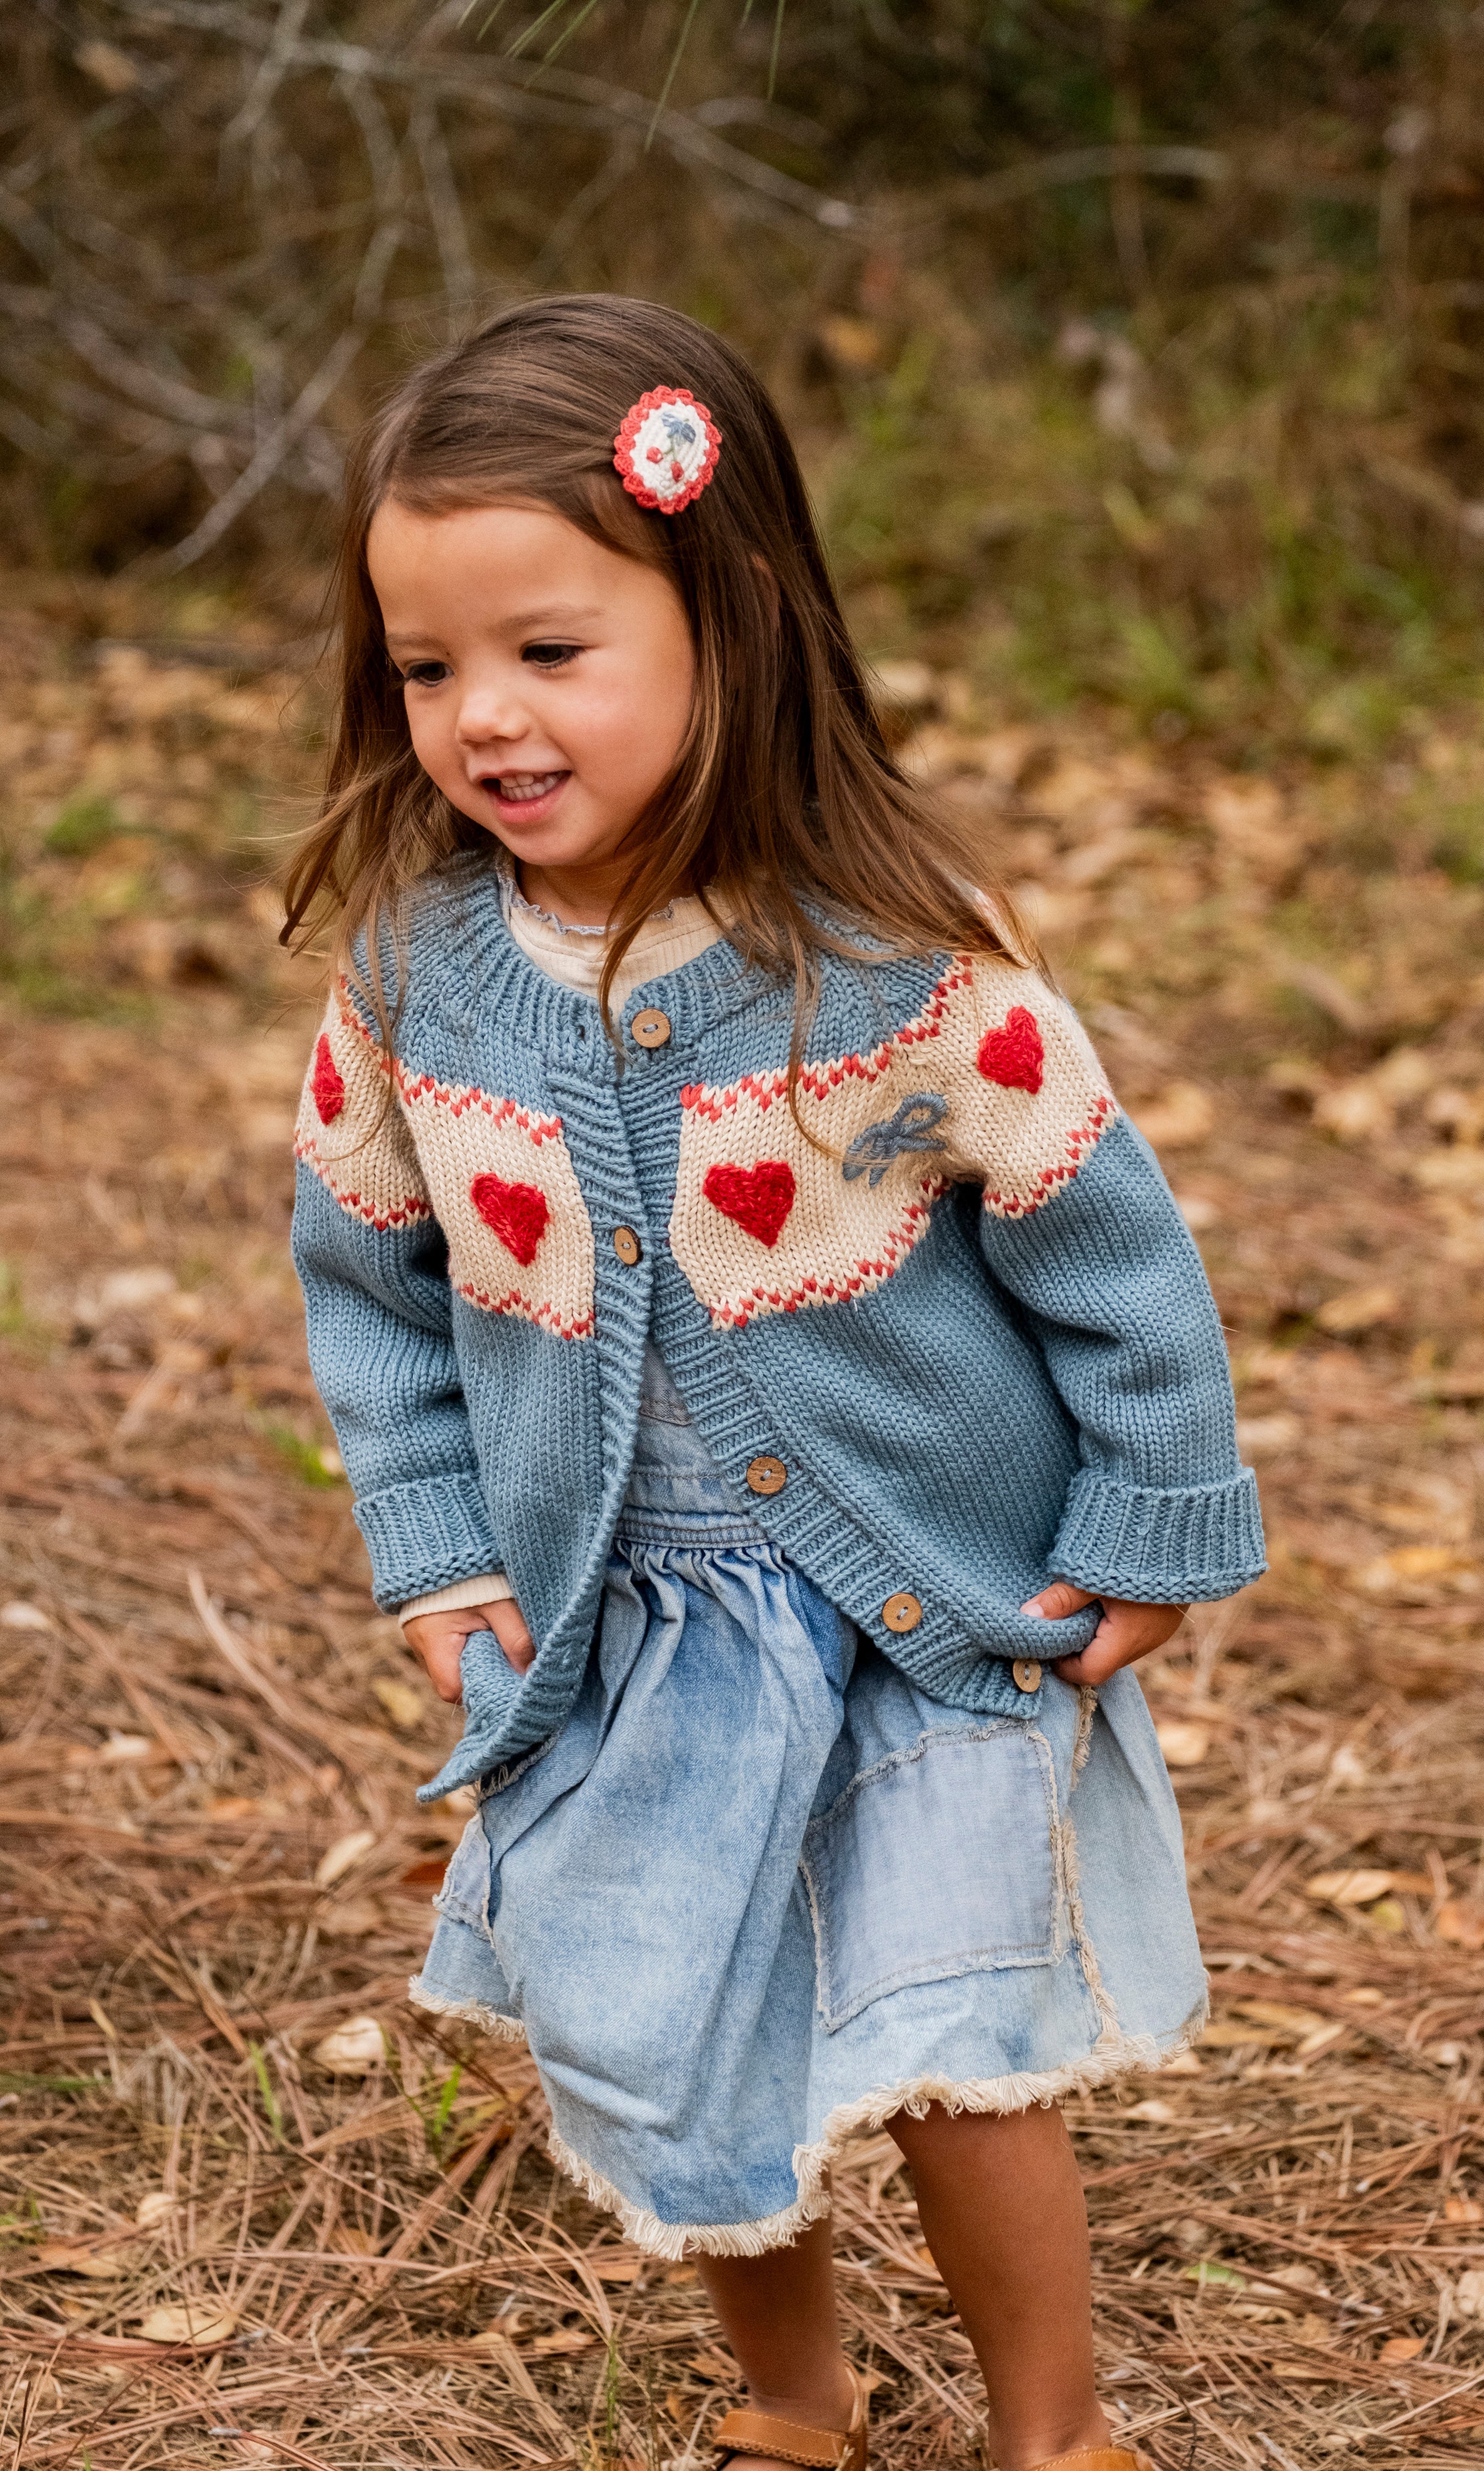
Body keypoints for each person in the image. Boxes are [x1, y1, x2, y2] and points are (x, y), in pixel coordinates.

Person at [285, 293, 1264, 2471]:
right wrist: (436, 1545)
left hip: (921, 1608)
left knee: (946, 2044)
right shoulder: (415, 983)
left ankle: (1055, 2425)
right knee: (681, 2024)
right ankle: (789, 2397)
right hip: (633, 1635)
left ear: (728, 621)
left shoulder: (898, 963)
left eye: (551, 651)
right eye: (428, 668)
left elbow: (1111, 1244)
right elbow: (364, 1280)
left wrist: (1156, 1516)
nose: (484, 721)